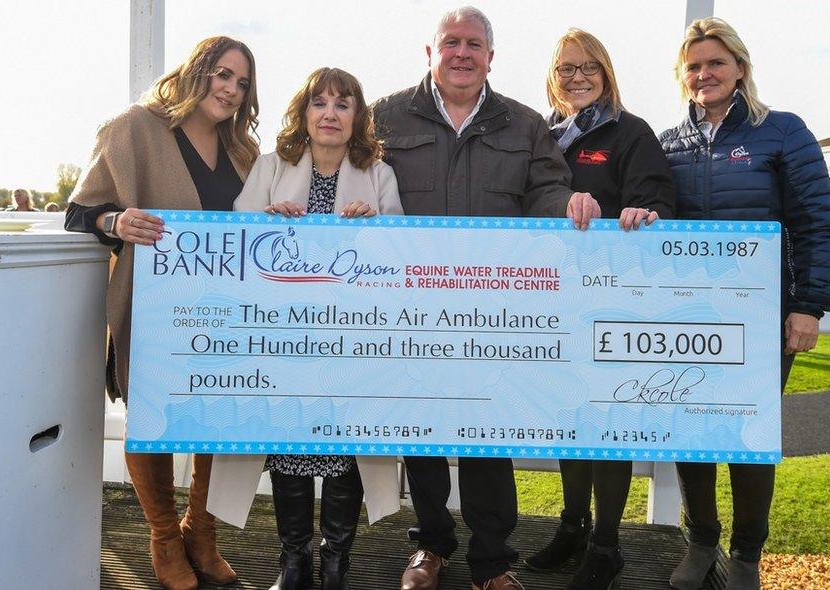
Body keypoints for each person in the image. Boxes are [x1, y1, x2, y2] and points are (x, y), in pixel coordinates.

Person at [372, 7, 601, 590]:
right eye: (451, 42)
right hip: (409, 310)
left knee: (487, 438)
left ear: (491, 57)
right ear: (430, 52)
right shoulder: (384, 118)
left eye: (475, 43)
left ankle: (492, 561)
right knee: (419, 434)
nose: (462, 53)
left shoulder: (524, 126)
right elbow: (351, 180)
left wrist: (569, 204)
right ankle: (429, 547)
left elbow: (548, 188)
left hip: (493, 316)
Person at [64, 36, 260, 590]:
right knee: (152, 417)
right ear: (196, 71)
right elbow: (82, 210)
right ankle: (163, 538)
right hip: (155, 307)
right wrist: (115, 223)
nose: (230, 89)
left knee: (215, 418)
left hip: (226, 311)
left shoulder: (243, 150)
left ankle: (201, 532)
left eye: (242, 83)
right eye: (222, 74)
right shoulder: (135, 127)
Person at [658, 18, 830, 589]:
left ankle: (747, 555)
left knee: (749, 437)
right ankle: (701, 541)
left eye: (715, 62)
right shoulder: (669, 143)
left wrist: (808, 304)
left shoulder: (782, 131)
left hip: (763, 318)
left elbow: (815, 221)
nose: (704, 74)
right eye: (693, 66)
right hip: (690, 316)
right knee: (692, 432)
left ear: (740, 67)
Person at [233, 67, 402, 590]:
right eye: (320, 103)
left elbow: (401, 252)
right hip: (284, 340)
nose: (330, 113)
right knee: (289, 446)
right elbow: (235, 236)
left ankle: (336, 562)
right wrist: (266, 218)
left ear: (358, 117)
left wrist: (374, 224)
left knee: (343, 449)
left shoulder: (379, 173)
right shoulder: (270, 166)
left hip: (350, 342)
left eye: (343, 104)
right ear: (303, 114)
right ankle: (293, 561)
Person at [522, 28, 675, 590]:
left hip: (613, 303)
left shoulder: (630, 132)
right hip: (556, 302)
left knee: (608, 425)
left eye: (588, 66)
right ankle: (573, 527)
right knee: (571, 422)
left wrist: (642, 213)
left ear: (607, 72)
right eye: (566, 68)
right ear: (552, 76)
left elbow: (657, 200)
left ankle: (606, 545)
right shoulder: (545, 135)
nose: (577, 76)